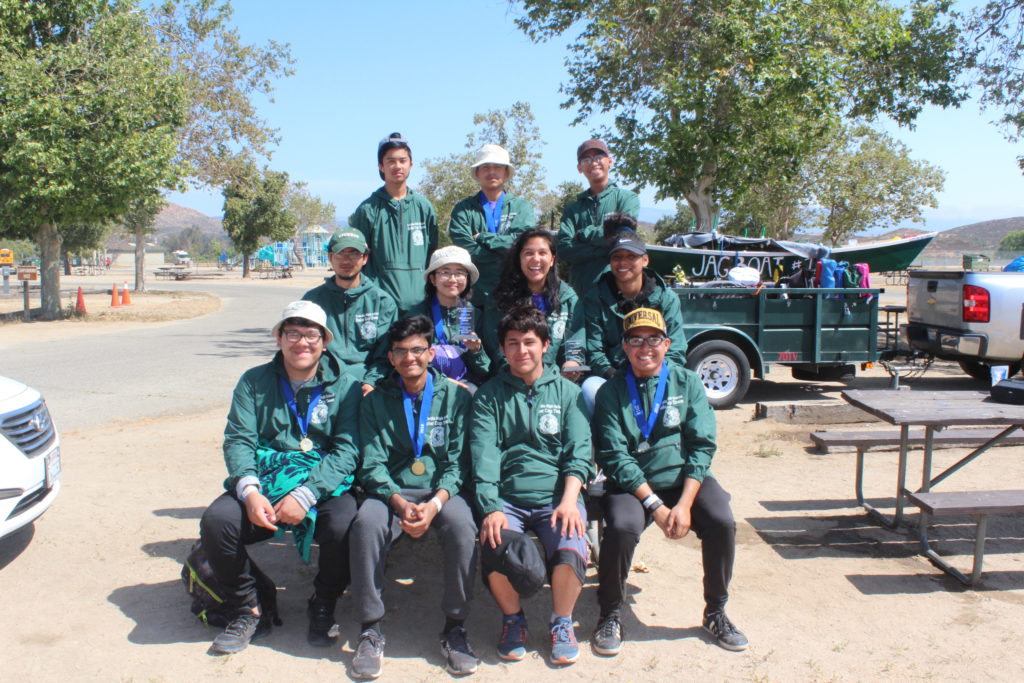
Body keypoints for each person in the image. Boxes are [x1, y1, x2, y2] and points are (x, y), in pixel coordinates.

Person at [199, 301, 362, 654]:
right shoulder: (254, 381)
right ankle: (248, 606)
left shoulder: (347, 386)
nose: (301, 342)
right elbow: (239, 439)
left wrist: (306, 494)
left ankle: (324, 601)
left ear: (324, 341)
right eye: (292, 333)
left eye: (310, 334)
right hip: (267, 480)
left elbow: (347, 450)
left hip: (319, 481)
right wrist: (250, 490)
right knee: (217, 521)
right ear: (278, 338)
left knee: (346, 525)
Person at [590, 307, 747, 656]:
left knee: (721, 519)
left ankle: (716, 611)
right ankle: (610, 613)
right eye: (635, 340)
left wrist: (686, 503)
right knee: (621, 527)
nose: (645, 348)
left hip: (683, 480)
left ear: (667, 343)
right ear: (624, 346)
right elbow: (615, 456)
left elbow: (702, 444)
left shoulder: (687, 381)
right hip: (634, 485)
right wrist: (656, 506)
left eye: (653, 339)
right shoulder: (610, 392)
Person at [348, 316, 479, 678]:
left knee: (462, 526)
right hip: (392, 492)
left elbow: (459, 463)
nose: (410, 358)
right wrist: (399, 502)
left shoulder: (455, 396)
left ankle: (455, 627)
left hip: (441, 490)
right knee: (366, 525)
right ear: (390, 358)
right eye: (402, 352)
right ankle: (370, 628)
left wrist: (436, 503)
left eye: (418, 350)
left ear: (431, 352)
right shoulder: (375, 401)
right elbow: (371, 465)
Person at [471, 306, 594, 666]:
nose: (521, 350)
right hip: (506, 497)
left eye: (529, 342)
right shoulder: (489, 396)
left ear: (545, 345)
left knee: (572, 540)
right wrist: (491, 506)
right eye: (513, 343)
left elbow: (579, 452)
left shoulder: (568, 395)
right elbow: (484, 456)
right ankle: (513, 619)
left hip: (557, 496)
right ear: (503, 349)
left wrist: (571, 500)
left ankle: (562, 622)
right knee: (494, 540)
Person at [579, 216, 686, 414]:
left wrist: (651, 374)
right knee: (589, 388)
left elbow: (676, 350)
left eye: (631, 256)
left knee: (685, 383)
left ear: (645, 260)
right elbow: (594, 351)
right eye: (617, 257)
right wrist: (618, 377)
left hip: (655, 374)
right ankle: (598, 443)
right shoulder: (595, 297)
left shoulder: (666, 298)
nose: (623, 262)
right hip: (612, 377)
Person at [349, 132, 438, 314]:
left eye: (402, 160)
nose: (397, 166)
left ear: (411, 164)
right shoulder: (368, 209)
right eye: (390, 161)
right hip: (381, 308)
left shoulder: (424, 207)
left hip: (420, 307)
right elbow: (357, 259)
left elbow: (432, 255)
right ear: (381, 166)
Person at [302, 229, 398, 395]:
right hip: (323, 380)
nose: (346, 260)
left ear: (365, 258)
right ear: (330, 257)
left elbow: (387, 354)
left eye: (354, 253)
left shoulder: (382, 302)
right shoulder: (311, 301)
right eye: (340, 253)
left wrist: (370, 382)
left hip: (368, 382)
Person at [480, 229, 584, 377]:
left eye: (542, 253)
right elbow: (494, 344)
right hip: (510, 377)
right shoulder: (499, 297)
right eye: (528, 253)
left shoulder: (567, 297)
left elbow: (575, 341)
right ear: (519, 259)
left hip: (554, 379)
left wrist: (573, 362)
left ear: (552, 259)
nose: (536, 259)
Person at [448, 144, 536, 306]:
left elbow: (522, 244)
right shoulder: (463, 209)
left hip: (514, 294)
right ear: (477, 173)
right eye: (485, 167)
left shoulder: (522, 208)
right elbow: (466, 250)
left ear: (506, 172)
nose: (491, 172)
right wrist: (506, 255)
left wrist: (483, 237)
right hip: (474, 297)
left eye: (497, 167)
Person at [557, 138, 640, 295]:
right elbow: (563, 249)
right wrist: (606, 250)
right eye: (586, 159)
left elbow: (622, 235)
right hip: (580, 294)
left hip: (616, 293)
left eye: (598, 157)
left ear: (609, 161)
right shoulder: (572, 210)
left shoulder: (627, 199)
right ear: (579, 168)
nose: (593, 162)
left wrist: (582, 235)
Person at [406, 246, 490, 390]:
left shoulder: (473, 314)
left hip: (468, 387)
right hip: (427, 385)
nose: (452, 279)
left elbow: (484, 372)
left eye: (459, 273)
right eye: (445, 272)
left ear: (467, 279)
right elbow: (408, 361)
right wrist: (444, 382)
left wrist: (476, 351)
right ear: (432, 279)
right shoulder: (417, 315)